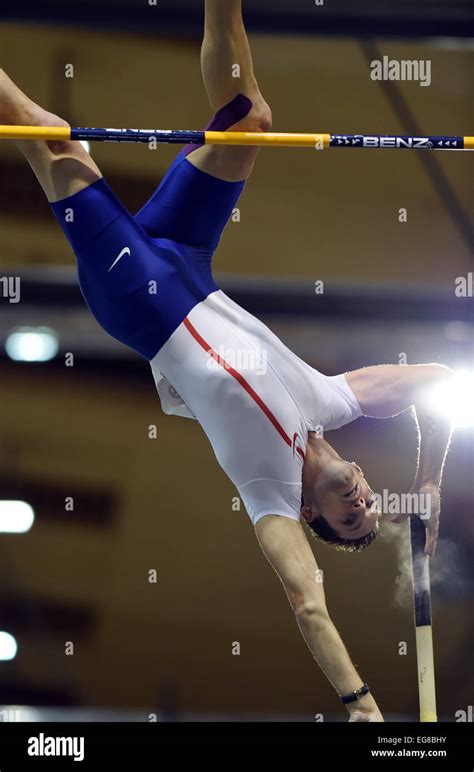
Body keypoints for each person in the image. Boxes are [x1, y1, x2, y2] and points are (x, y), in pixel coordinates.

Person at [1, 0, 453, 721]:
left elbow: (309, 606)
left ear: (312, 514)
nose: (364, 501)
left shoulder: (270, 492)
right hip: (186, 258)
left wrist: (361, 704)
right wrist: (428, 479)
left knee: (47, 138)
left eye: (350, 518)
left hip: (139, 300)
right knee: (249, 120)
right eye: (371, 504)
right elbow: (442, 380)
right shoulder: (331, 399)